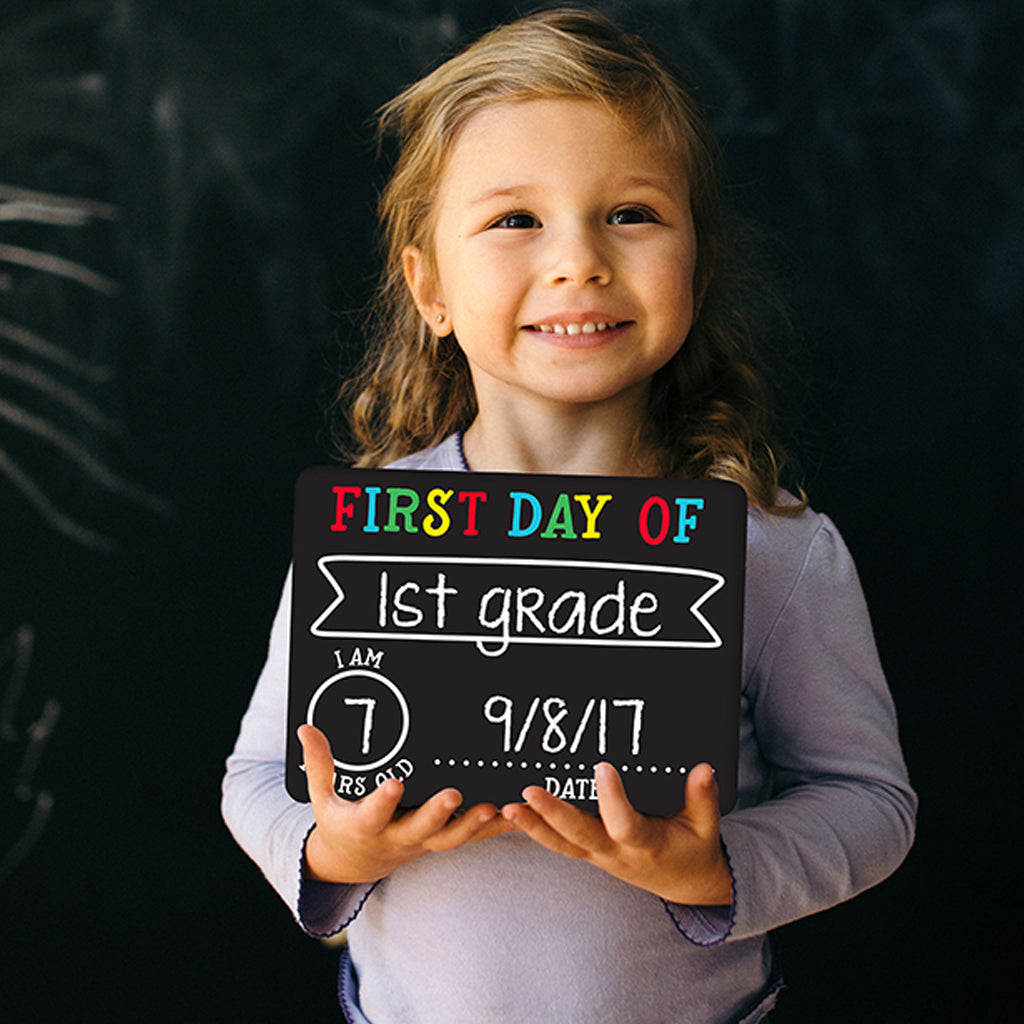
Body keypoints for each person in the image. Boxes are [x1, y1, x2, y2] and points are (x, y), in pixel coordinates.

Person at [222, 9, 916, 1023]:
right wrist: (333, 850)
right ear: (430, 288)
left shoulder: (774, 548)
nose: (579, 260)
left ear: (699, 261)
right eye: (514, 220)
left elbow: (870, 803)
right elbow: (255, 774)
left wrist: (716, 865)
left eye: (630, 213)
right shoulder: (371, 537)